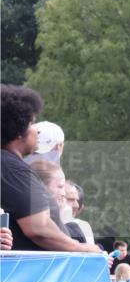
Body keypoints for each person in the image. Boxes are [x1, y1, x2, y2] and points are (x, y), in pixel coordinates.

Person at [0, 85, 102, 253]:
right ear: (18, 131)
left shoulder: (8, 166)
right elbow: (39, 230)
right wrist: (82, 249)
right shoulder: (13, 169)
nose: (38, 129)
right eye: (32, 123)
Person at [63, 179, 95, 244]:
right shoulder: (42, 225)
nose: (76, 205)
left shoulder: (82, 226)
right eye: (70, 199)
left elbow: (90, 253)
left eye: (77, 200)